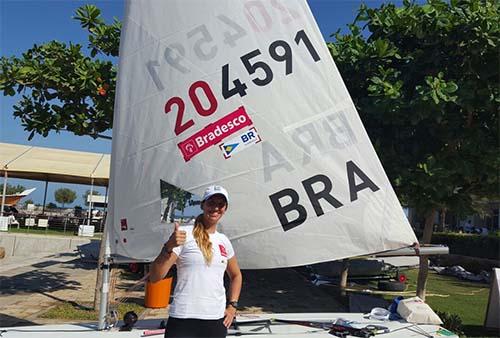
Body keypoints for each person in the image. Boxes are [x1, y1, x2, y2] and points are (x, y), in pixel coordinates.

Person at [150, 185, 242, 338]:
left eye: (220, 204)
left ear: (225, 208)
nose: (215, 208)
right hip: (183, 318)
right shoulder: (185, 234)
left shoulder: (224, 241)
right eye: (211, 203)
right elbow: (155, 277)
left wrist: (232, 306)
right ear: (202, 205)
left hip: (215, 320)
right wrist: (168, 247)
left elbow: (236, 275)